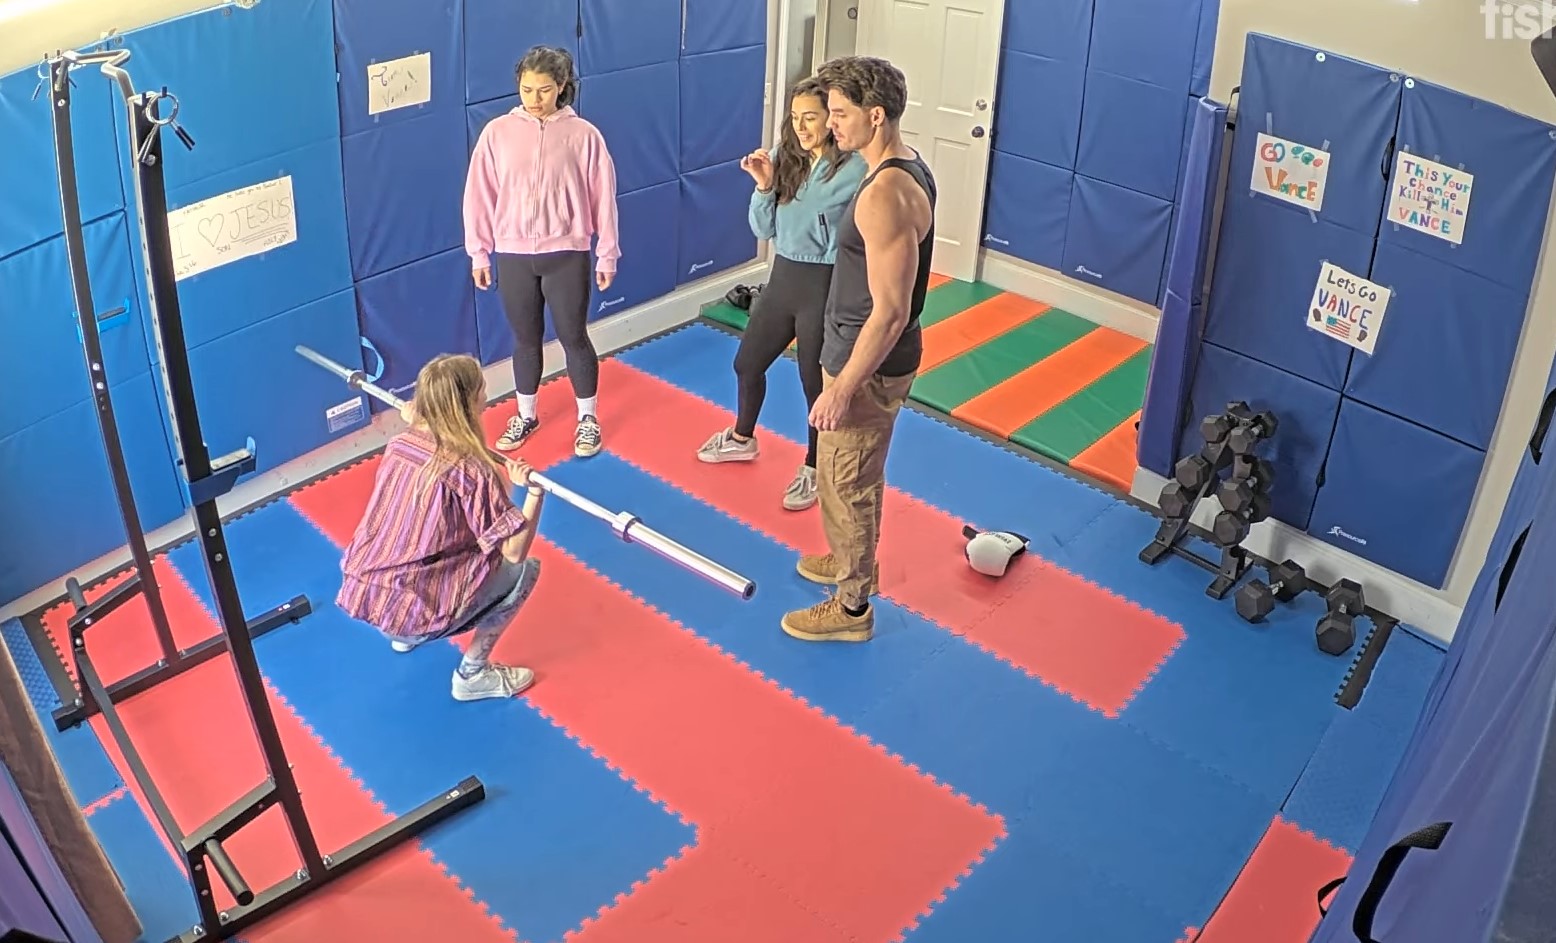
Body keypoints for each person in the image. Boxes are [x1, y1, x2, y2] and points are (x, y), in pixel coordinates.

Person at [780, 56, 937, 644]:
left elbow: (891, 311)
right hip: (853, 352)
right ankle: (850, 558)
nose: (830, 124)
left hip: (865, 366)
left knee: (849, 482)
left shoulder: (885, 193)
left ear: (876, 116)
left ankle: (851, 608)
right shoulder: (901, 166)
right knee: (844, 474)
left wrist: (843, 387)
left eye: (840, 113)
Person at [696, 77, 866, 511]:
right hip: (783, 278)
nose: (801, 127)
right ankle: (742, 438)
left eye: (811, 117)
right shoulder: (781, 158)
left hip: (824, 284)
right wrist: (764, 187)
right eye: (794, 118)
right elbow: (763, 228)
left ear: (831, 119)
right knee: (747, 363)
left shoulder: (855, 169)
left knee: (815, 385)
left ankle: (815, 465)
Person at [337, 354, 546, 701]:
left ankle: (402, 637)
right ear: (469, 401)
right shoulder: (471, 470)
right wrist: (535, 493)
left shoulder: (399, 444)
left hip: (367, 596)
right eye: (481, 388)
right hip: (413, 617)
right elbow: (514, 551)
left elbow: (423, 426)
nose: (486, 394)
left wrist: (417, 417)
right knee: (524, 571)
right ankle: (472, 675)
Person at [464, 44, 619, 458]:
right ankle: (526, 414)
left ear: (562, 86)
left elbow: (604, 197)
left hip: (567, 254)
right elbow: (479, 195)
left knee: (573, 337)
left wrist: (607, 252)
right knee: (525, 340)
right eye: (527, 89)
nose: (534, 99)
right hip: (513, 255)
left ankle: (588, 419)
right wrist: (479, 252)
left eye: (544, 90)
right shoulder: (497, 133)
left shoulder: (584, 135)